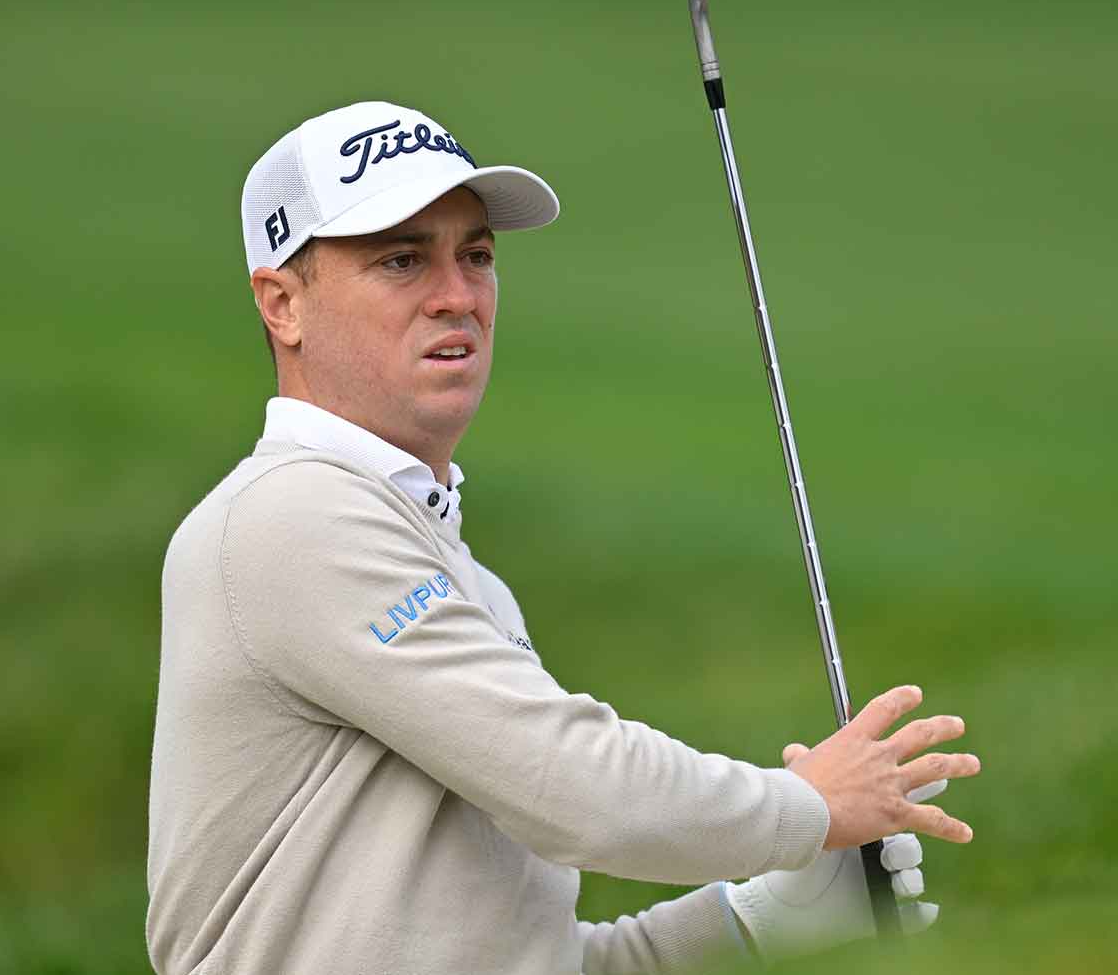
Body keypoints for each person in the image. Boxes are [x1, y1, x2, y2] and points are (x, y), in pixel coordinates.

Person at [146, 100, 981, 974]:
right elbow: (576, 789)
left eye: (476, 255)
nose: (457, 296)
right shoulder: (290, 517)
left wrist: (756, 916)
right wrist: (804, 807)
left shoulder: (457, 575)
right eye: (400, 260)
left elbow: (528, 957)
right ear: (283, 304)